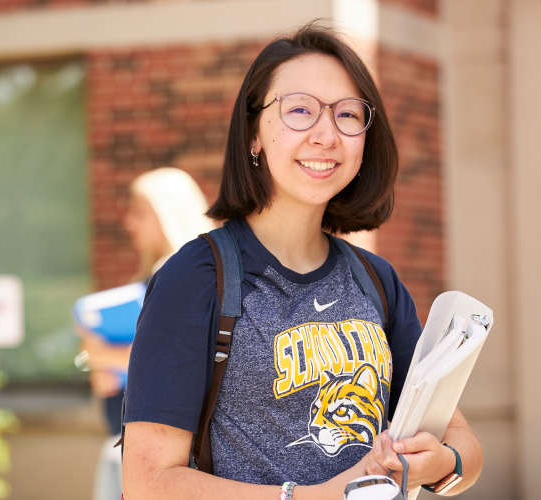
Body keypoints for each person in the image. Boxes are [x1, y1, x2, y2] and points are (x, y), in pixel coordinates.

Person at [121, 23, 483, 499]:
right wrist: (314, 497)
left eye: (348, 115)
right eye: (299, 111)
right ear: (254, 134)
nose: (326, 135)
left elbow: (463, 444)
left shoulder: (375, 279)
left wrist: (443, 463)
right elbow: (148, 483)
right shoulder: (195, 279)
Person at [77, 167, 215, 500]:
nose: (128, 223)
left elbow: (184, 366)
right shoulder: (159, 277)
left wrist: (103, 357)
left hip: (172, 463)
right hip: (131, 448)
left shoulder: (184, 279)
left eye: (140, 212)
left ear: (170, 214)